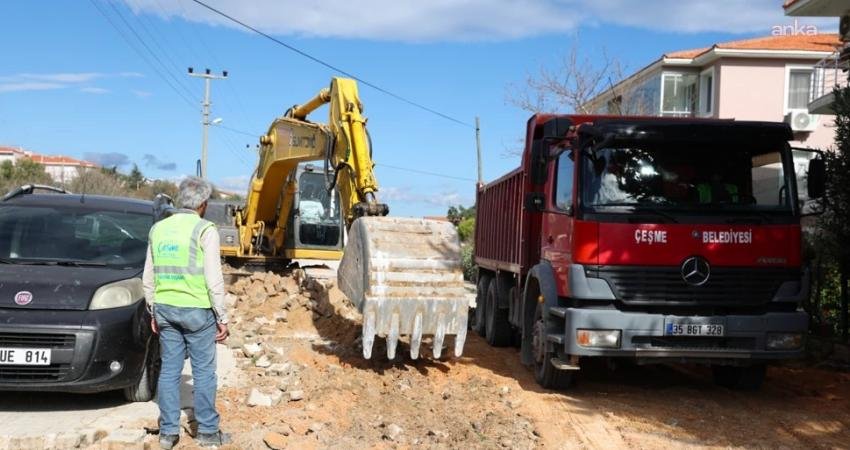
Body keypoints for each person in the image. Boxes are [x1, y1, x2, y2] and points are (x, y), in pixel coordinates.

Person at [143, 177, 230, 449]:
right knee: (204, 372)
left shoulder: (158, 229)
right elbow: (214, 278)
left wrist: (153, 310)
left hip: (166, 309)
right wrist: (222, 316)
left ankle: (168, 434)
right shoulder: (205, 230)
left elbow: (148, 276)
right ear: (203, 204)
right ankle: (207, 432)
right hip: (197, 310)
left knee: (169, 370)